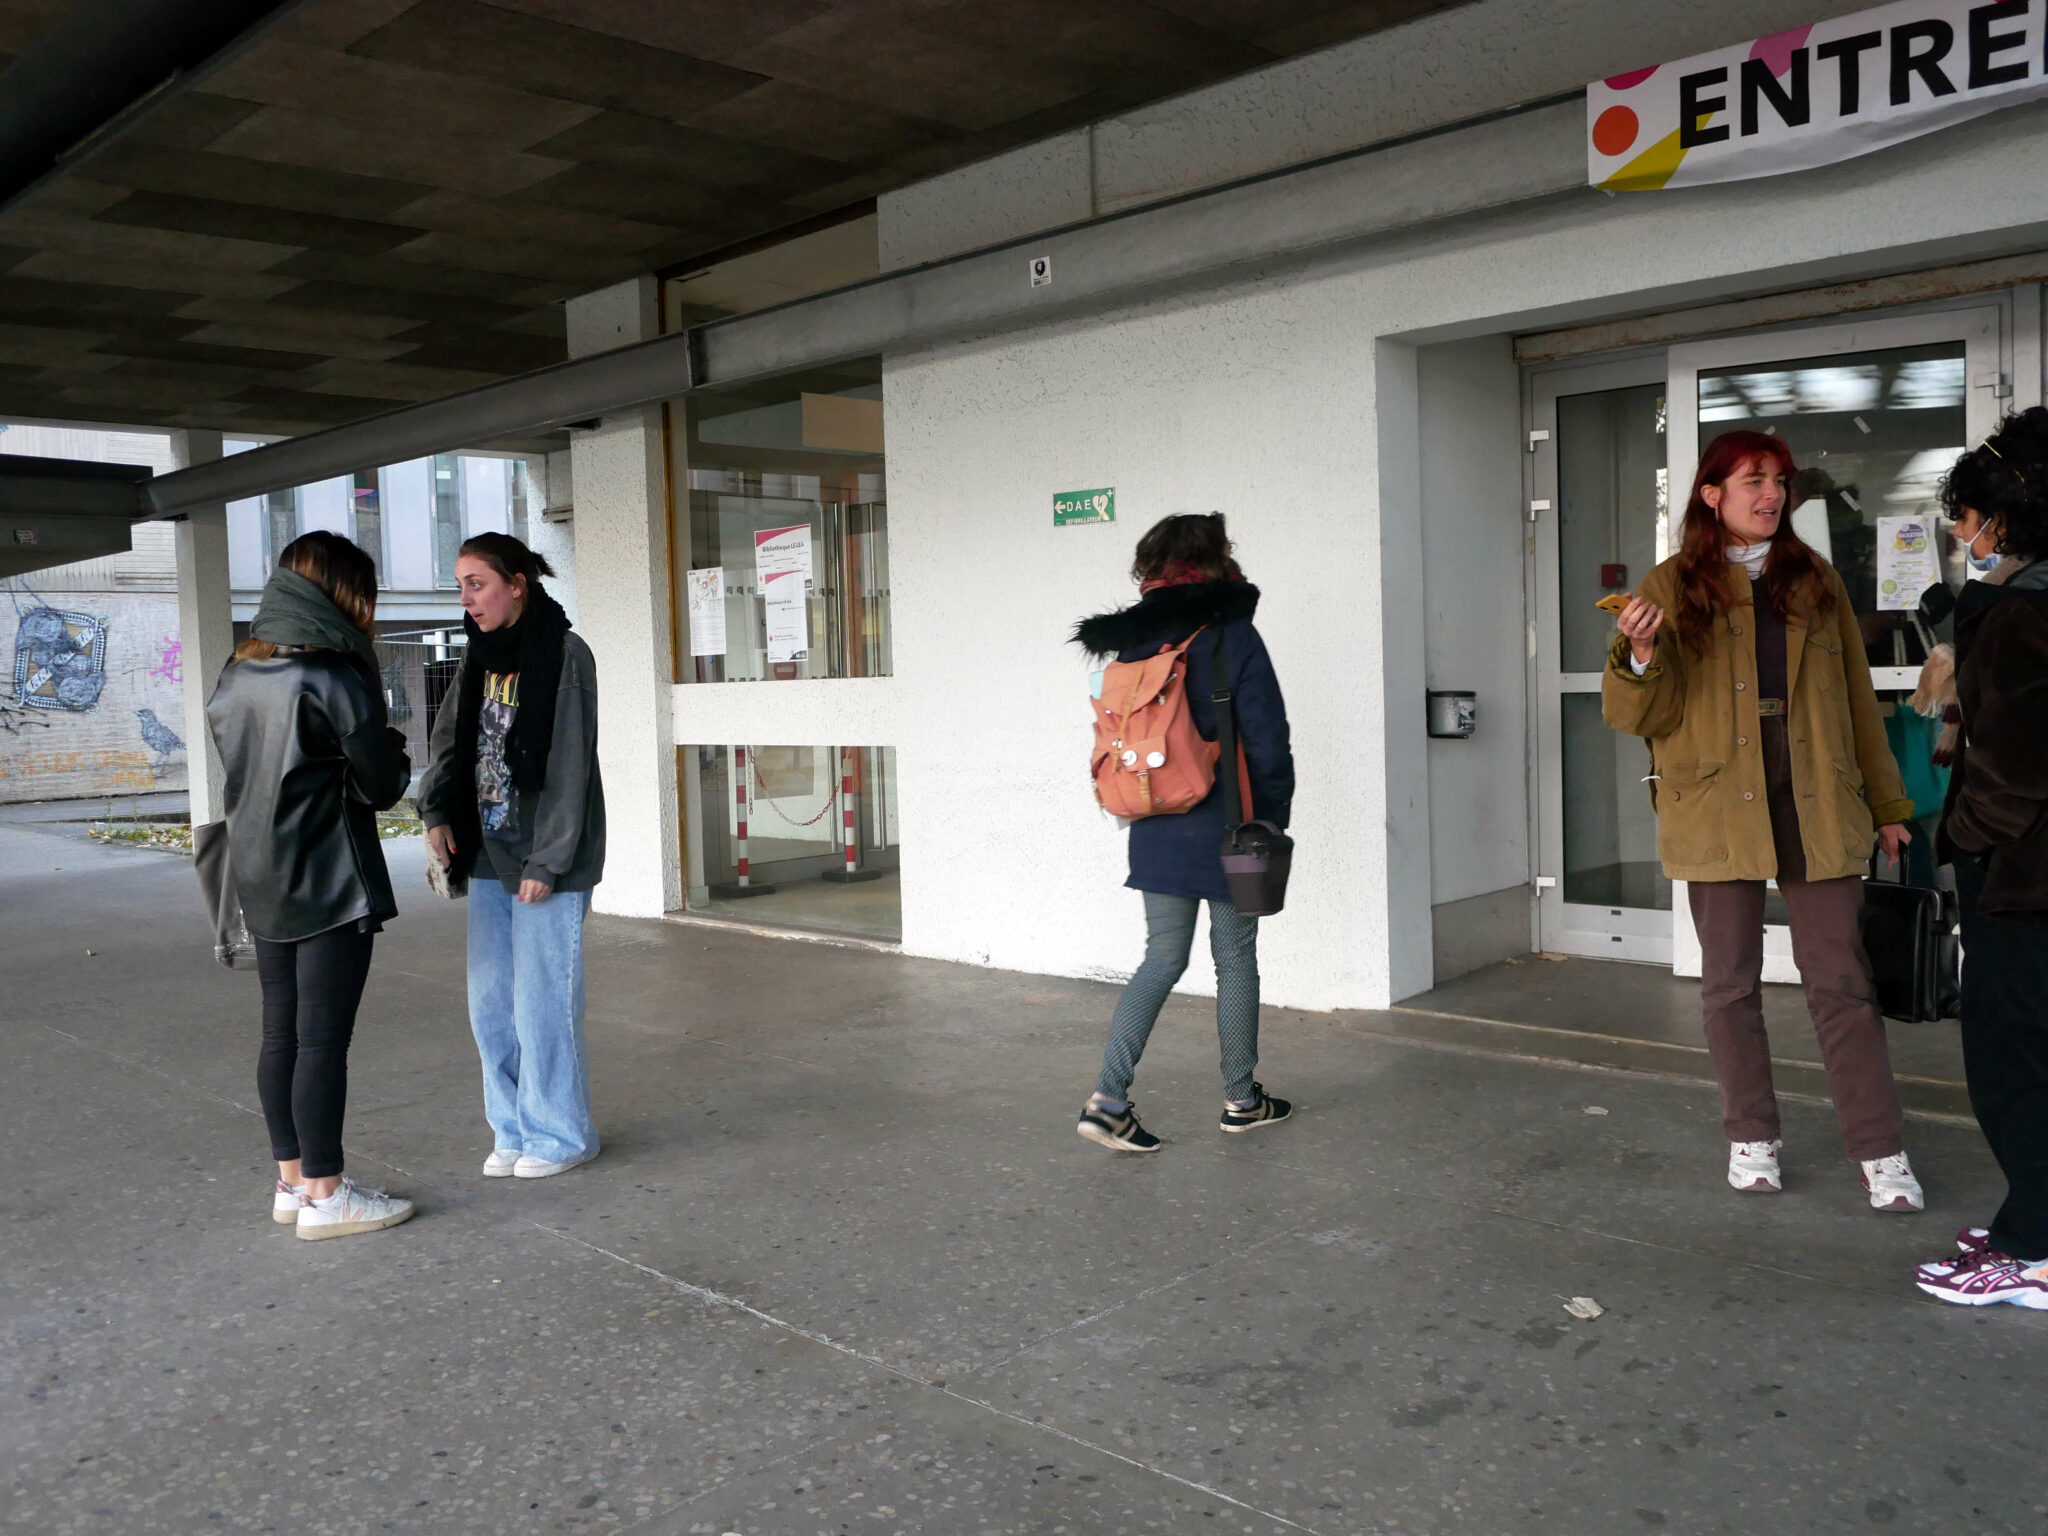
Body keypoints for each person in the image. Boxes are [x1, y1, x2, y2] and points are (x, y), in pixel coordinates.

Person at [1603, 430, 1924, 1211]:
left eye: (1778, 481)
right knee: (1728, 986)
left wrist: (1888, 807)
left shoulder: (1814, 580)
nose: (1771, 494)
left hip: (1815, 792)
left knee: (1843, 982)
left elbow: (1856, 700)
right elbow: (1638, 714)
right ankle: (1752, 1136)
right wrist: (1641, 654)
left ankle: (1880, 1151)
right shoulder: (1670, 585)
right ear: (1712, 494)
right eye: (1753, 480)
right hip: (1715, 798)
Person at [207, 532, 416, 1241]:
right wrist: (390, 748)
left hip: (260, 876)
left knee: (281, 1035)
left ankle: (293, 1182)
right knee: (323, 1041)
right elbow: (382, 785)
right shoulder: (334, 675)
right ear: (341, 592)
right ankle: (328, 1195)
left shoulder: (235, 674)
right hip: (329, 879)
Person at [1070, 512, 1294, 1152]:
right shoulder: (1231, 635)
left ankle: (1108, 1101)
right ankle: (1242, 1100)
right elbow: (1268, 741)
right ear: (1215, 558)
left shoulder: (1134, 644)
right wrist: (1270, 818)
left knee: (1161, 958)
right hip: (1229, 826)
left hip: (1155, 821)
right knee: (1235, 960)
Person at [1912, 410, 2048, 1308]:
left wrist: (1952, 841)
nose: (1960, 535)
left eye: (1966, 518)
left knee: (2013, 1064)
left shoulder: (2022, 620)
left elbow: (2010, 773)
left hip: (2022, 889)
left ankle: (2030, 1249)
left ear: (2005, 518)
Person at [420, 533, 606, 1180]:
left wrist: (548, 861)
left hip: (545, 859)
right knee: (492, 1006)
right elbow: (450, 741)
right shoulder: (479, 657)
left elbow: (570, 765)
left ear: (517, 583)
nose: (467, 599)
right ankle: (514, 1127)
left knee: (542, 1005)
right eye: (461, 585)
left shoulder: (563, 654)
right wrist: (437, 811)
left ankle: (560, 1136)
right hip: (489, 852)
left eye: (478, 583)